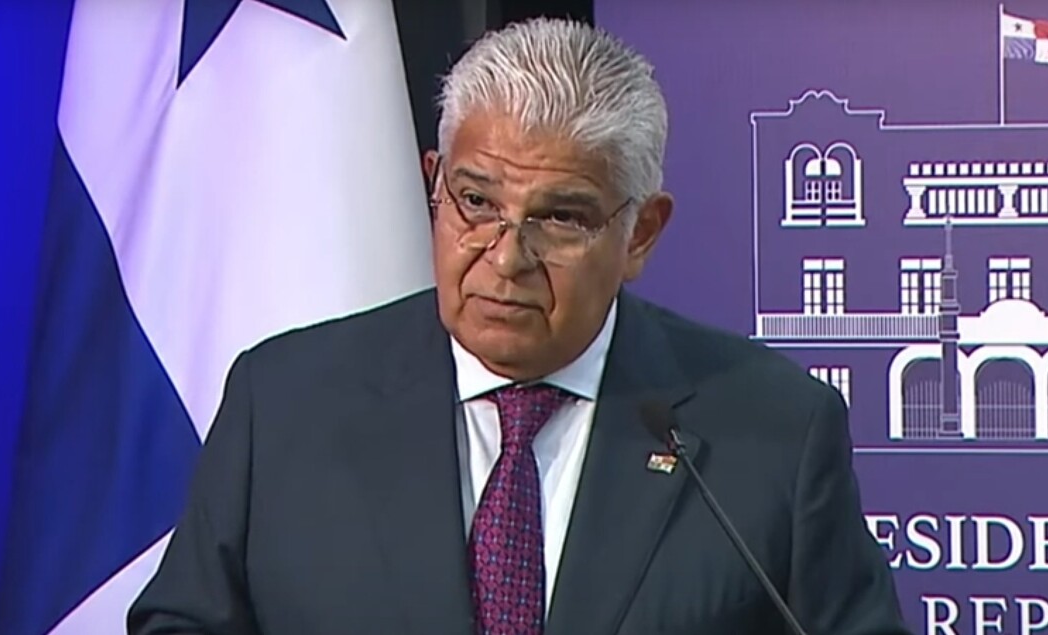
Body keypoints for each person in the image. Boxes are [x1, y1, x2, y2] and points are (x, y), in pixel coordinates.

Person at [128, 16, 910, 635]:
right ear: (433, 184)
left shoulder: (773, 431)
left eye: (560, 217)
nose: (505, 259)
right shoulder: (284, 401)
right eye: (475, 202)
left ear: (639, 234)